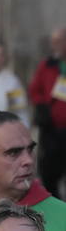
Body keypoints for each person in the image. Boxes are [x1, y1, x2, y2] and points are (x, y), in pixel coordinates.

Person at [29, 27, 66, 198]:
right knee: (49, 172)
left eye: (59, 41)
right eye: (54, 42)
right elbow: (34, 89)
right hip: (52, 129)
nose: (55, 45)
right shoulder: (48, 64)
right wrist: (42, 106)